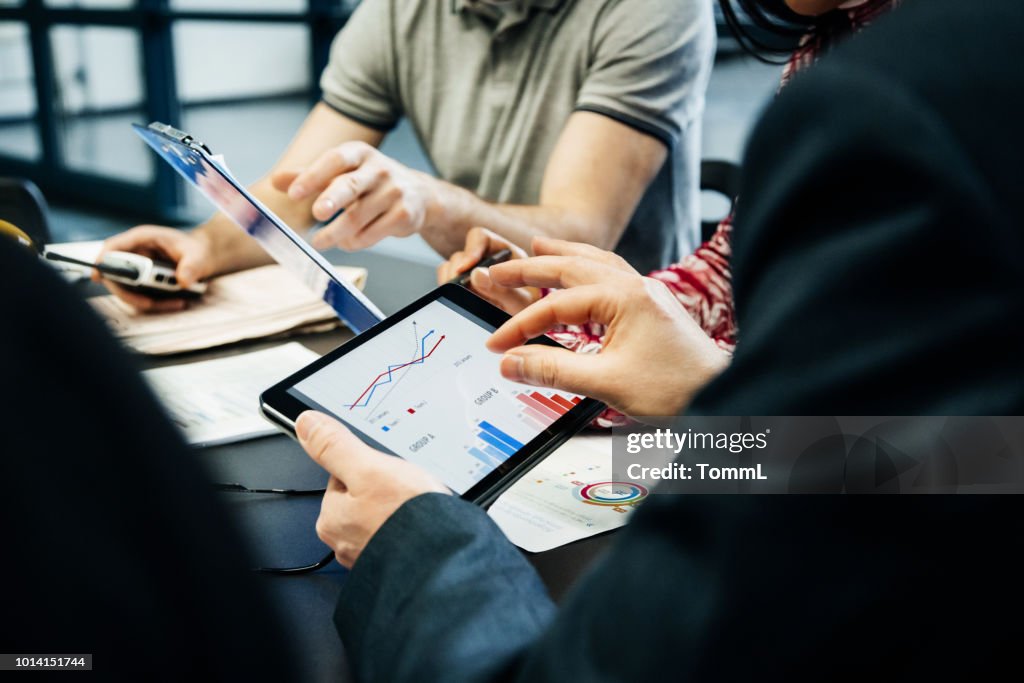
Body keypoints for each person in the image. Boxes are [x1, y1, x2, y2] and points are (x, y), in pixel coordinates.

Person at [294, 0, 1024, 679]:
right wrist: (588, 319)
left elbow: (940, 462)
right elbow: (735, 276)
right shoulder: (836, 46)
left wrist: (418, 549)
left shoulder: (908, 100)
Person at [439, 0, 900, 426]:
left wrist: (711, 390)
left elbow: (949, 448)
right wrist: (551, 313)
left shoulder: (941, 70)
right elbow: (733, 269)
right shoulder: (828, 40)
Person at [98, 0, 715, 312]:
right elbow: (301, 186)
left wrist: (432, 203)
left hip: (624, 339)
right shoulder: (400, 11)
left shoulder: (652, 10)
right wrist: (205, 247)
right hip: (479, 314)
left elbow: (583, 233)